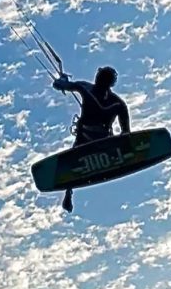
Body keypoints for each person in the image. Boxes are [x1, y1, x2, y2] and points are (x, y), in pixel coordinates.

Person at [53, 66, 131, 213]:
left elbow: (126, 133)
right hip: (86, 138)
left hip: (104, 140)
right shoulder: (86, 88)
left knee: (78, 154)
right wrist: (62, 81)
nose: (99, 83)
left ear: (109, 84)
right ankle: (68, 193)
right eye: (99, 79)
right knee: (74, 157)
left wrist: (125, 148)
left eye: (103, 81)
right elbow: (59, 85)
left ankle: (69, 191)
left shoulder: (118, 104)